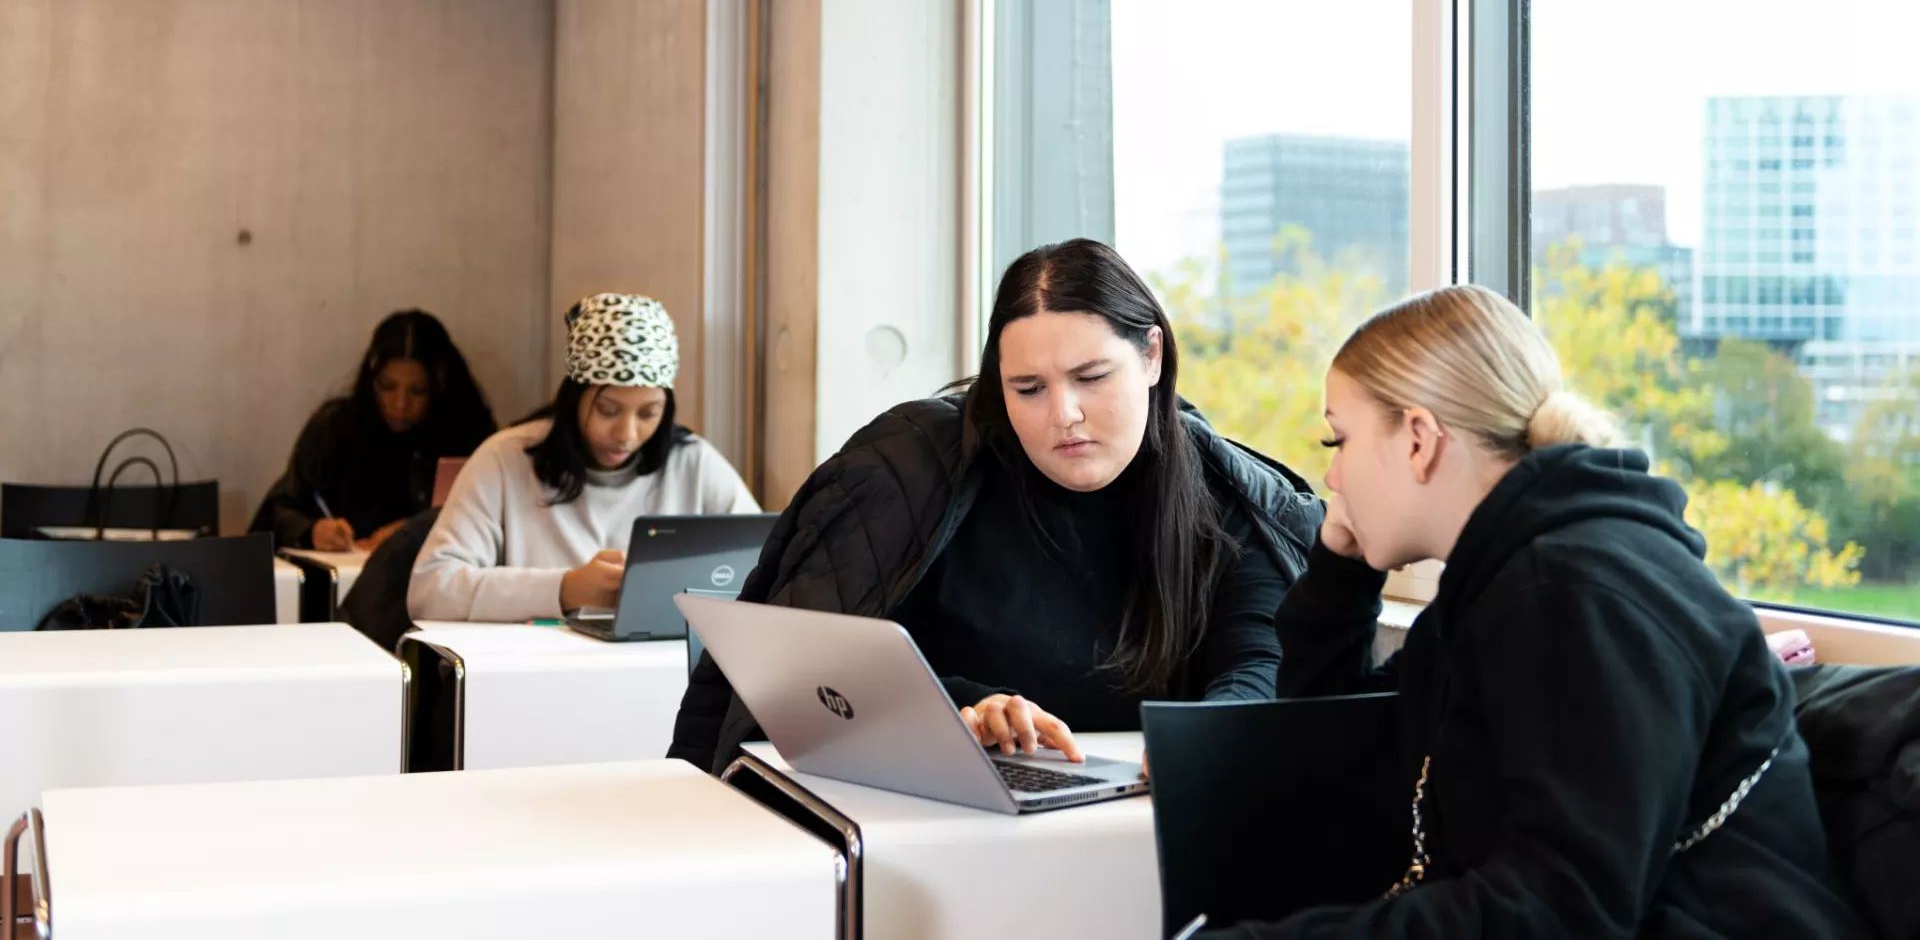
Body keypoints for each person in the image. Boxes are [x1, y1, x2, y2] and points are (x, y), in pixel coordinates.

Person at [1204, 285, 1862, 938]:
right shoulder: (1506, 585)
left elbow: (1560, 912)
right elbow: (1342, 754)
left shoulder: (1577, 590)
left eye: (1337, 443)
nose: (1334, 479)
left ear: (1418, 440)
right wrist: (1343, 573)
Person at [669, 238, 1324, 775]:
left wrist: (1204, 739)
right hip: (919, 813)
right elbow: (818, 671)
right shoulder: (909, 469)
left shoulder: (1225, 495)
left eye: (1092, 378)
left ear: (1151, 356)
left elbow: (1261, 660)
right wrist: (964, 709)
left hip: (1135, 827)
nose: (1064, 415)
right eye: (1028, 388)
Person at [407, 293, 758, 623]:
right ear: (573, 398)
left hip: (659, 674)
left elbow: (767, 565)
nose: (627, 434)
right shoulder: (505, 460)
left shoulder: (693, 463)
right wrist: (564, 589)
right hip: (533, 675)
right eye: (607, 410)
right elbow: (429, 590)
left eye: (648, 413)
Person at [252, 310, 498, 552]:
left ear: (440, 385)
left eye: (417, 391)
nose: (400, 404)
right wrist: (312, 531)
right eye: (387, 386)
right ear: (372, 380)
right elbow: (275, 513)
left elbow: (497, 518)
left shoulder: (467, 432)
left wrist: (415, 531)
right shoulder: (336, 427)